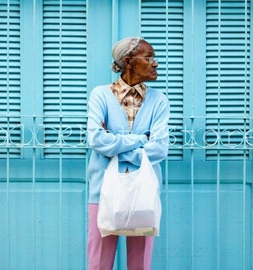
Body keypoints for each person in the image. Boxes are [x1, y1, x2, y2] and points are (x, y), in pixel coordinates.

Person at [87, 36, 170, 270]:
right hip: (101, 190)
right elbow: (96, 138)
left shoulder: (159, 101)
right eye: (149, 57)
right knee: (99, 263)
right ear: (128, 61)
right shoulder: (100, 95)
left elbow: (160, 147)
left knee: (140, 264)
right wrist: (140, 140)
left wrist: (114, 147)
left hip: (144, 189)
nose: (155, 63)